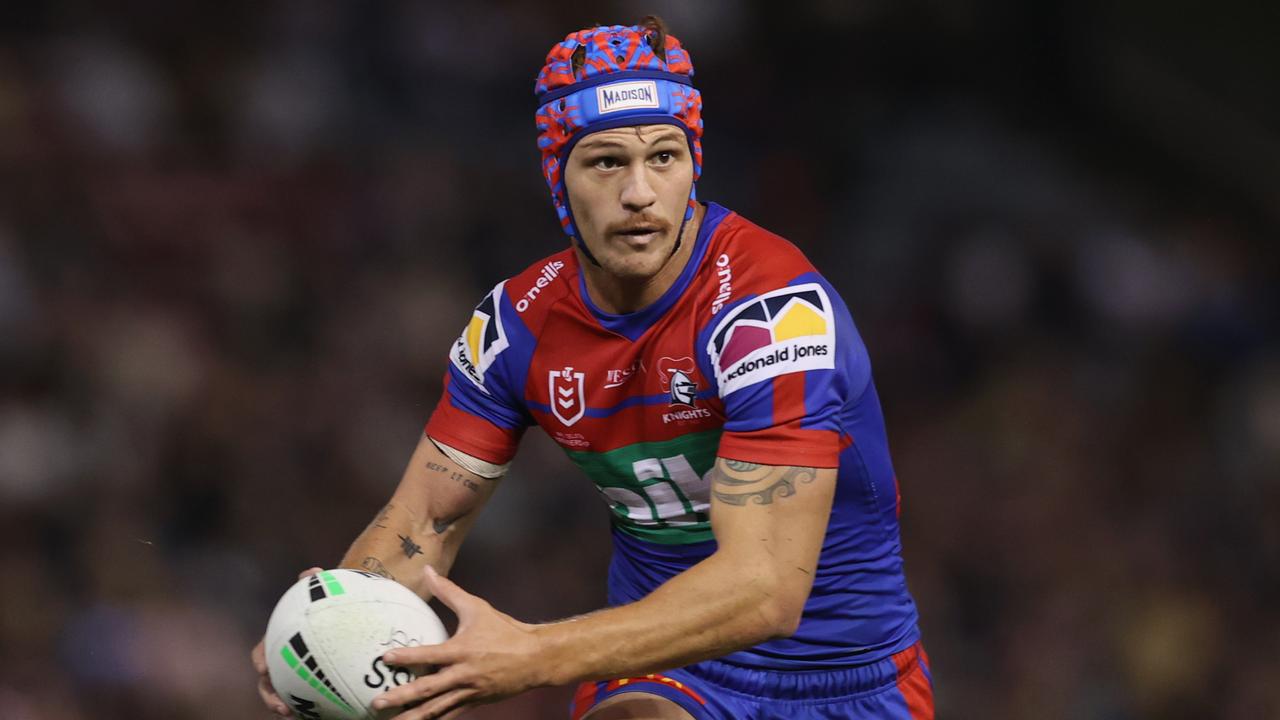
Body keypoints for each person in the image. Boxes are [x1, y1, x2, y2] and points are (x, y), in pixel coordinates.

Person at [253, 16, 933, 720]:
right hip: (665, 675)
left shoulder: (772, 311)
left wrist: (534, 655)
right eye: (606, 162)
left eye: (664, 158)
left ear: (694, 164)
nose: (640, 193)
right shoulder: (515, 327)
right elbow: (423, 522)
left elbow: (765, 590)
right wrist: (322, 634)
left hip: (854, 684)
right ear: (559, 179)